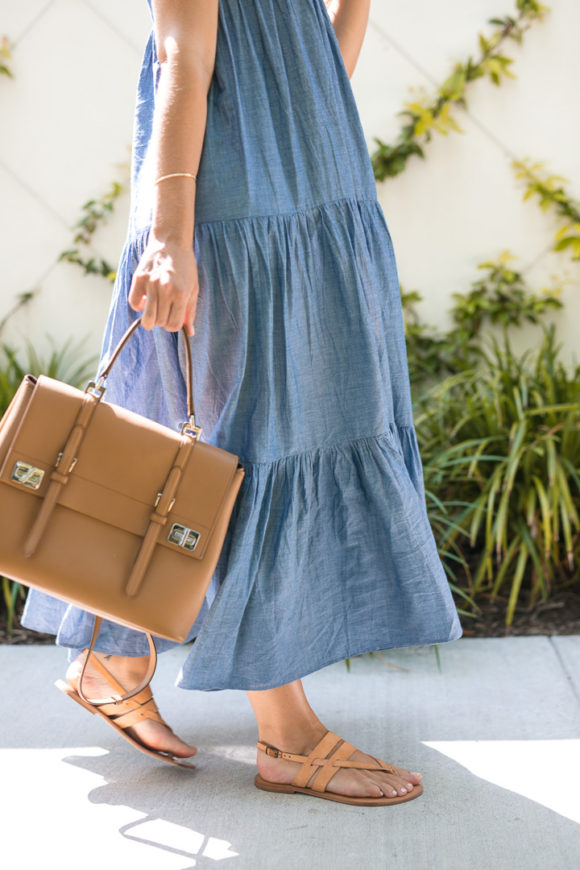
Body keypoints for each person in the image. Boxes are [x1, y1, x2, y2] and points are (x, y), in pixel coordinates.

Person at [21, 0, 462, 807]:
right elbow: (182, 51)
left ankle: (116, 660)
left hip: (315, 183)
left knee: (275, 424)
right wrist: (168, 239)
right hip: (229, 203)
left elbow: (314, 68)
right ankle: (286, 732)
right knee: (259, 439)